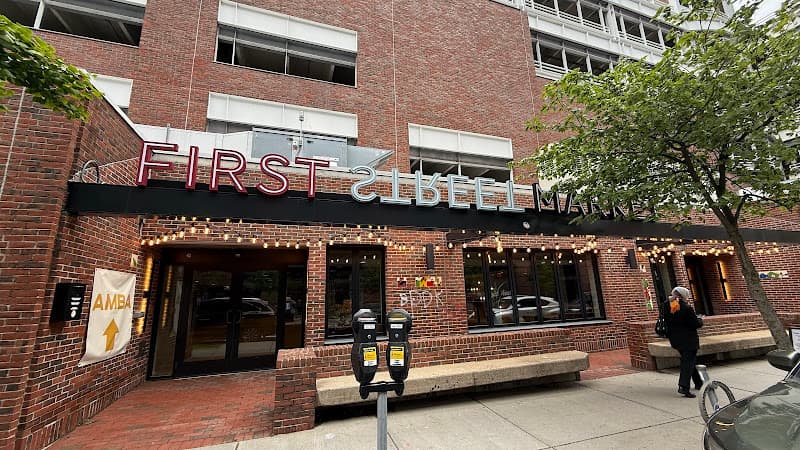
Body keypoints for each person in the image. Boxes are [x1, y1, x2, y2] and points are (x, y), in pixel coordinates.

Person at [664, 286, 703, 398]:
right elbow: (695, 324)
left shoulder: (667, 306)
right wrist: (700, 319)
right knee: (688, 362)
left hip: (675, 339)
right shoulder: (687, 308)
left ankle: (699, 383)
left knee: (690, 360)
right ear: (683, 296)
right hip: (688, 339)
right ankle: (684, 387)